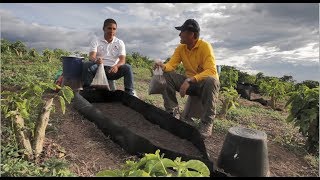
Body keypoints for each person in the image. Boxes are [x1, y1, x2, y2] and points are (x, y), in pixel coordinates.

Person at [154, 19, 220, 138]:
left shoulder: (205, 46)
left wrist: (190, 80)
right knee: (165, 75)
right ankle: (173, 113)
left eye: (182, 32)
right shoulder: (181, 48)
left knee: (212, 80)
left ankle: (206, 123)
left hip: (202, 84)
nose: (179, 34)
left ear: (191, 34)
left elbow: (211, 71)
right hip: (189, 84)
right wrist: (162, 66)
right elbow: (171, 65)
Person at [82, 18, 137, 96]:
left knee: (128, 67)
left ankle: (129, 93)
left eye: (114, 29)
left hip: (112, 70)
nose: (111, 31)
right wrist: (96, 60)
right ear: (103, 29)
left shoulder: (119, 42)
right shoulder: (96, 41)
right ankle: (88, 91)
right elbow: (91, 56)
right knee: (86, 64)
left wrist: (117, 66)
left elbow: (122, 60)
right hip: (99, 68)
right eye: (109, 28)